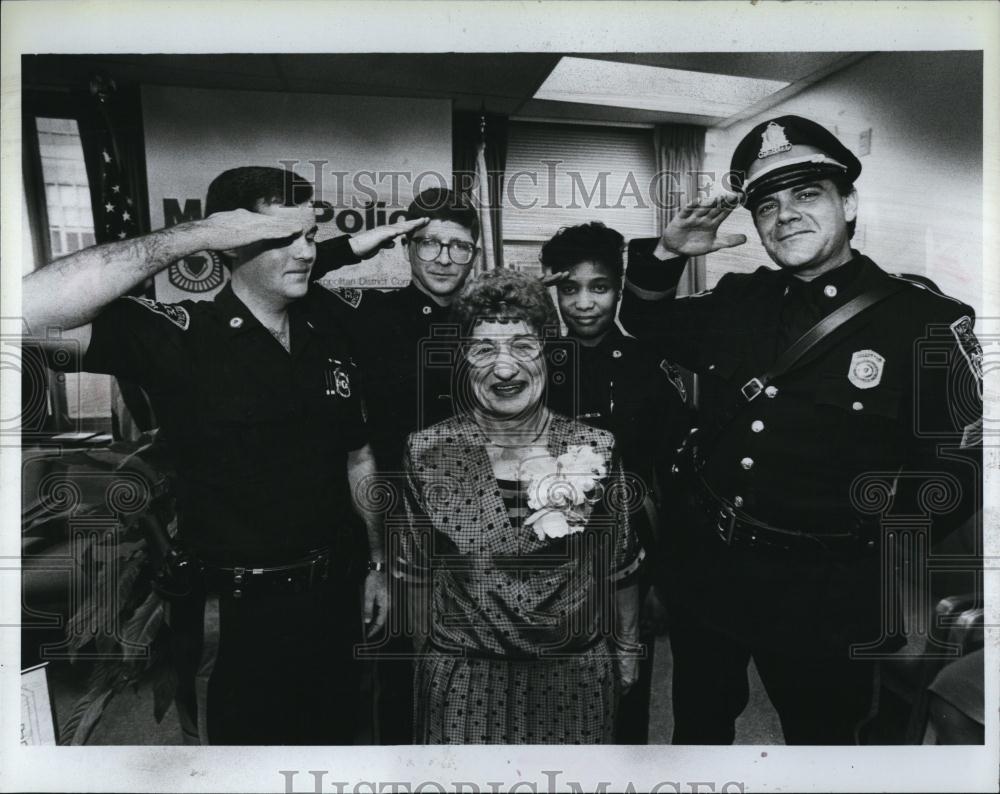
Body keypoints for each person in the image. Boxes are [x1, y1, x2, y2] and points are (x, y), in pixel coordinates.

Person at [618, 115, 983, 744]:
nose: (783, 215)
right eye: (766, 206)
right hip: (709, 572)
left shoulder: (924, 322)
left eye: (806, 194)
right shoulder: (739, 300)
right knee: (698, 731)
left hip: (823, 596)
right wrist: (668, 253)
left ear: (849, 202)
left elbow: (955, 474)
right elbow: (640, 324)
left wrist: (866, 555)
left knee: (823, 745)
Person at [22, 166, 392, 745]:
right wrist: (190, 236)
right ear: (227, 241)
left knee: (339, 752)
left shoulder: (327, 329)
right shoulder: (180, 334)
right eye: (284, 235)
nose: (305, 251)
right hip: (236, 617)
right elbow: (25, 311)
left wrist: (376, 565)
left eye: (310, 235)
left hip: (335, 595)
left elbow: (358, 456)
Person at [397, 270, 643, 744]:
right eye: (484, 349)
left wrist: (627, 649)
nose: (504, 369)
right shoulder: (427, 451)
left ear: (549, 353)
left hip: (573, 677)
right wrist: (429, 661)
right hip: (465, 680)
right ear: (463, 360)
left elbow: (620, 565)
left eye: (523, 346)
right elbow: (416, 574)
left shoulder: (595, 445)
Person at [310, 187, 481, 742]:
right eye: (429, 242)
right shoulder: (370, 314)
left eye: (459, 246)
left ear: (475, 253)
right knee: (396, 682)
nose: (443, 257)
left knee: (477, 676)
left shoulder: (491, 326)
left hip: (477, 530)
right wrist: (357, 245)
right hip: (389, 526)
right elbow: (294, 285)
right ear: (406, 246)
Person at [540, 221, 691, 743]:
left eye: (599, 287)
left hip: (633, 561)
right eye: (569, 288)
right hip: (546, 561)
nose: (584, 303)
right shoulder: (532, 363)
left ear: (620, 288)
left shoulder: (650, 364)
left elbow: (675, 479)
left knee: (626, 691)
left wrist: (666, 580)